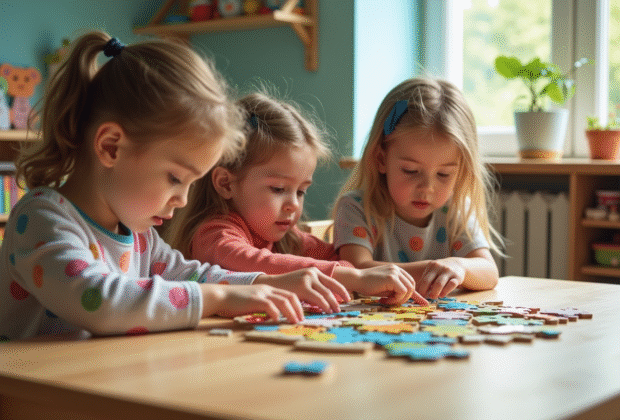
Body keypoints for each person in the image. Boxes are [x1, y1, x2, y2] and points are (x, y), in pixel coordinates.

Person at [0, 32, 310, 341]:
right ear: (111, 147)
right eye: (175, 178)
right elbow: (99, 302)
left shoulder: (140, 237)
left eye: (191, 183)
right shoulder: (41, 219)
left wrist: (267, 283)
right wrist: (218, 298)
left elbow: (197, 275)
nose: (183, 199)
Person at [165, 91, 428, 308]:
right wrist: (354, 277)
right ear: (226, 183)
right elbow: (254, 262)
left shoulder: (287, 237)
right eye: (278, 189)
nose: (293, 204)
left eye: (301, 191)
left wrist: (358, 273)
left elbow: (336, 258)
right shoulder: (212, 237)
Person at [332, 78, 503, 300]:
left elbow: (489, 272)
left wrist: (459, 266)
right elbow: (358, 270)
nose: (427, 188)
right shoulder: (356, 208)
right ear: (381, 159)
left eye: (444, 174)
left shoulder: (455, 209)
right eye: (411, 171)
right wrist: (434, 270)